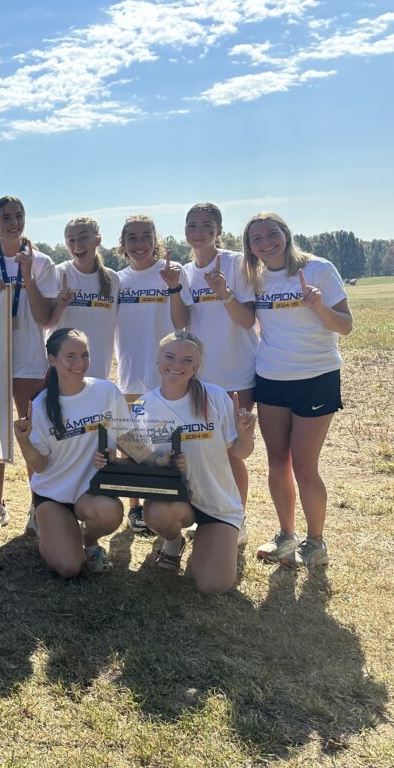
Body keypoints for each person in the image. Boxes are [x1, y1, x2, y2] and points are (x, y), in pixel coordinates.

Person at [243, 213, 353, 567]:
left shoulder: (319, 268)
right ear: (250, 246)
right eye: (256, 238)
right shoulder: (254, 277)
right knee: (277, 462)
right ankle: (286, 537)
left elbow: (346, 327)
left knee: (305, 466)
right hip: (271, 378)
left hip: (315, 376)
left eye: (272, 234)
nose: (265, 242)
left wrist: (318, 305)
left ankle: (316, 542)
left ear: (286, 235)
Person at [167, 203, 258, 544]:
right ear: (185, 231)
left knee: (233, 451)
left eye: (207, 225)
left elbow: (248, 320)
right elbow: (180, 323)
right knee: (202, 451)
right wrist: (175, 288)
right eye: (192, 225)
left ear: (219, 230)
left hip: (238, 375)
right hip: (201, 380)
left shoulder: (236, 263)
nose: (199, 231)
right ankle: (205, 515)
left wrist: (224, 292)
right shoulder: (187, 272)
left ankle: (237, 518)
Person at [137, 332, 256, 593]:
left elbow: (241, 452)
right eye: (170, 357)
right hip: (175, 501)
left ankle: (209, 534)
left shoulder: (214, 397)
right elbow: (138, 459)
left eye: (186, 360)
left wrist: (245, 435)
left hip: (217, 502)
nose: (176, 365)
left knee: (212, 585)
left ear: (196, 367)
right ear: (158, 361)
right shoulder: (143, 406)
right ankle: (173, 541)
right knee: (156, 512)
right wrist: (159, 461)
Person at [12, 329, 126, 576]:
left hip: (91, 493)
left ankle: (90, 541)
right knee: (69, 567)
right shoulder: (41, 405)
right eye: (70, 356)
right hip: (54, 496)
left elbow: (128, 441)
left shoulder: (107, 392)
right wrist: (24, 443)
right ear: (52, 360)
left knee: (109, 514)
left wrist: (114, 457)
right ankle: (52, 535)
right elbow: (40, 466)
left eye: (84, 355)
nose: (80, 363)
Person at [0, 196, 58, 532]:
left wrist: (27, 277)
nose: (13, 223)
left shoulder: (43, 262)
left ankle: (38, 506)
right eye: (6, 217)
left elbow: (44, 317)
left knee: (33, 434)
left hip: (30, 359)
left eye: (18, 216)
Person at [114, 214, 174, 535]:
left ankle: (159, 504)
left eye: (145, 236)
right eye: (132, 238)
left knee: (164, 445)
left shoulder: (171, 274)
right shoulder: (116, 280)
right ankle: (134, 509)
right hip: (129, 373)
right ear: (122, 245)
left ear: (155, 239)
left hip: (167, 377)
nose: (139, 244)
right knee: (132, 443)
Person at [50, 216, 119, 380]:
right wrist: (59, 305)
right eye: (71, 240)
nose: (77, 245)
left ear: (97, 240)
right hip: (63, 373)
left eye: (83, 238)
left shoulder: (113, 279)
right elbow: (46, 323)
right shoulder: (58, 273)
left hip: (98, 372)